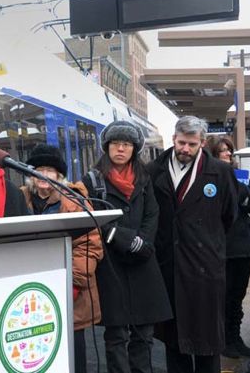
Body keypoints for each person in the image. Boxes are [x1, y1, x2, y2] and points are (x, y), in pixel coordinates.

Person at [147, 116, 238, 373]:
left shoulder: (219, 172)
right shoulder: (155, 170)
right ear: (173, 138)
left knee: (207, 341)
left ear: (203, 143)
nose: (185, 149)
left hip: (204, 269)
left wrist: (210, 246)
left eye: (191, 144)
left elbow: (229, 216)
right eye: (181, 142)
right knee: (174, 342)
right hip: (170, 267)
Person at [82, 120, 172, 373]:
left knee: (144, 333)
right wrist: (124, 239)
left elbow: (153, 213)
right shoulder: (93, 180)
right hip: (112, 264)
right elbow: (91, 216)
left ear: (134, 149)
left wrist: (143, 241)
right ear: (107, 147)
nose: (120, 149)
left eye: (126, 144)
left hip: (143, 262)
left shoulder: (144, 178)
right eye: (115, 144)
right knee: (117, 334)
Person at [21, 143, 103, 373]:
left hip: (70, 294)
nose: (43, 175)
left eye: (50, 170)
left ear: (59, 175)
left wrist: (72, 285)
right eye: (39, 169)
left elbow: (90, 246)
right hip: (31, 294)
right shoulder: (20, 198)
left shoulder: (75, 203)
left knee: (73, 356)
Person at [206, 135, 250, 359]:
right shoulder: (212, 178)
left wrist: (242, 192)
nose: (229, 154)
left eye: (230, 151)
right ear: (214, 154)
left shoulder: (241, 177)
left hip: (244, 246)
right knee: (224, 296)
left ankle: (235, 337)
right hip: (223, 247)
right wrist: (241, 193)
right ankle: (223, 340)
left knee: (238, 296)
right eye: (223, 151)